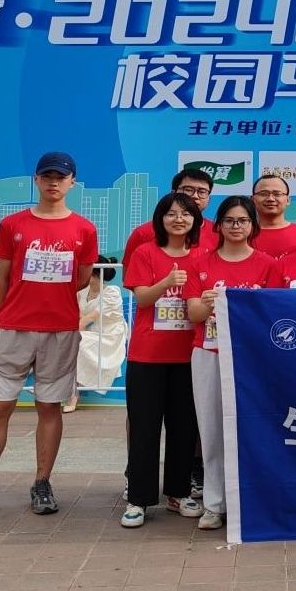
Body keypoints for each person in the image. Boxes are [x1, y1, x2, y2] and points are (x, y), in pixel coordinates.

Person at [0, 152, 98, 523]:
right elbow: (3, 277)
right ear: (36, 180)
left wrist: (52, 298)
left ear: (72, 183)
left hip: (60, 330)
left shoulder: (84, 229)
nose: (53, 182)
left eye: (61, 177)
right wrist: (0, 320)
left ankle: (42, 483)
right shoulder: (12, 224)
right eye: (47, 176)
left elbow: (82, 278)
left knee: (49, 408)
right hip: (13, 328)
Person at [185, 196, 281, 530]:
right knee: (211, 429)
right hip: (208, 352)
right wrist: (209, 302)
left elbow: (274, 316)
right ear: (219, 225)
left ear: (253, 225)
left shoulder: (268, 265)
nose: (236, 226)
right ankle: (214, 504)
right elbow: (194, 314)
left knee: (253, 428)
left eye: (242, 220)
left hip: (252, 359)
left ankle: (252, 500)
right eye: (229, 220)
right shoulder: (200, 262)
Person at [120, 192, 205, 528]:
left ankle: (178, 493)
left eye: (186, 214)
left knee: (184, 428)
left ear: (195, 220)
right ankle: (138, 499)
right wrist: (167, 282)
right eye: (171, 213)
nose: (178, 219)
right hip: (148, 355)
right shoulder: (146, 252)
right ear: (161, 219)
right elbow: (142, 298)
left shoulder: (203, 256)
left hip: (188, 355)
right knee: (144, 427)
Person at [64, 257, 128, 413]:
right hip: (90, 333)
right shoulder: (82, 292)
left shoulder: (112, 292)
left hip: (110, 336)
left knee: (75, 341)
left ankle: (73, 395)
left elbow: (86, 320)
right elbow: (78, 318)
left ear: (95, 274)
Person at [122, 168, 218, 269]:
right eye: (188, 190)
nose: (195, 196)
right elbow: (130, 275)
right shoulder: (143, 233)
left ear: (209, 198)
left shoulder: (220, 233)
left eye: (202, 192)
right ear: (173, 193)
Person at [249, 174, 296, 258]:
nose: (270, 199)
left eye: (277, 194)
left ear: (288, 200)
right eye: (263, 194)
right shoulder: (242, 234)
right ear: (252, 200)